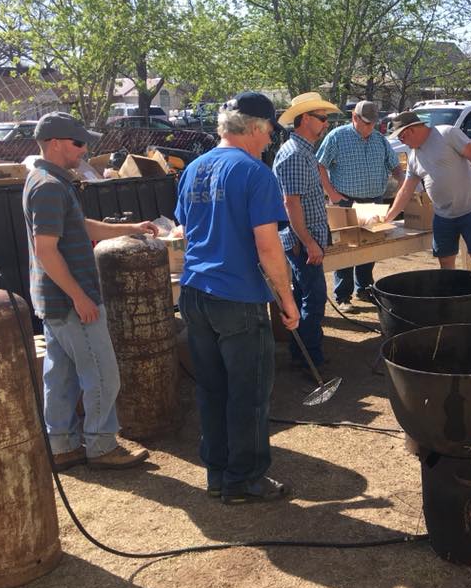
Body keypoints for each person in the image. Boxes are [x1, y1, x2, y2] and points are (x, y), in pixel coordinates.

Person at [176, 92, 299, 505]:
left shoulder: (193, 168)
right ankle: (245, 479)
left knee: (212, 389)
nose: (269, 142)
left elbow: (186, 231)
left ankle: (217, 472)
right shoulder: (255, 172)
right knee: (248, 392)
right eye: (268, 133)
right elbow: (268, 246)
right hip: (236, 297)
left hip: (194, 292)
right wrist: (287, 298)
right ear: (254, 128)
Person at [23, 112, 155, 472]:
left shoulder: (47, 180)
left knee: (61, 376)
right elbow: (47, 250)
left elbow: (77, 227)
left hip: (52, 301)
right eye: (78, 143)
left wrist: (130, 227)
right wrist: (80, 297)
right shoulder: (49, 186)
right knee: (102, 373)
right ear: (54, 144)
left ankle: (62, 445)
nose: (85, 150)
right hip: (69, 301)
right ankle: (101, 446)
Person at [274, 91, 341, 368]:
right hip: (304, 241)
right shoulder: (294, 154)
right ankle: (309, 358)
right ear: (304, 119)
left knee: (306, 296)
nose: (326, 123)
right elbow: (291, 205)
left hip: (307, 239)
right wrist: (310, 242)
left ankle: (301, 354)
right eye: (322, 118)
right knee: (312, 300)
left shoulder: (303, 151)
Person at [317, 100, 402, 312]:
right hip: (345, 201)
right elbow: (319, 165)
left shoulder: (379, 140)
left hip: (374, 201)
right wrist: (333, 194)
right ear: (355, 118)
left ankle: (364, 288)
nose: (371, 127)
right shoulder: (337, 137)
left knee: (369, 247)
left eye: (373, 123)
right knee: (345, 248)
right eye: (367, 123)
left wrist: (405, 184)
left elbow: (395, 167)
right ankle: (343, 295)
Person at [383, 111, 471, 272]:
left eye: (401, 138)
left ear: (410, 131)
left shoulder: (447, 133)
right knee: (445, 261)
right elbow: (405, 190)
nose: (402, 142)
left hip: (469, 210)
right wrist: (388, 217)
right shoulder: (413, 157)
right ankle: (451, 295)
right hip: (442, 217)